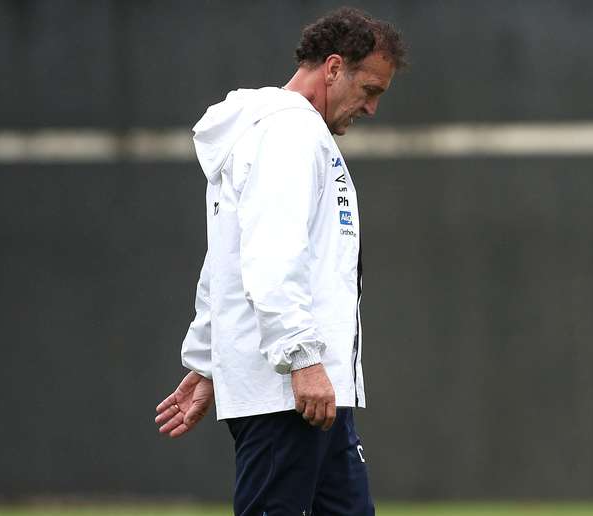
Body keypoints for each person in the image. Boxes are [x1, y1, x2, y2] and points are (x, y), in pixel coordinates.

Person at [155, 7, 406, 515]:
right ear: (333, 68)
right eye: (370, 90)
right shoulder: (288, 132)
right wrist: (302, 359)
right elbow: (271, 254)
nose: (372, 109)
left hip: (310, 389)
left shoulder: (289, 134)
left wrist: (207, 363)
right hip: (288, 389)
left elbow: (224, 261)